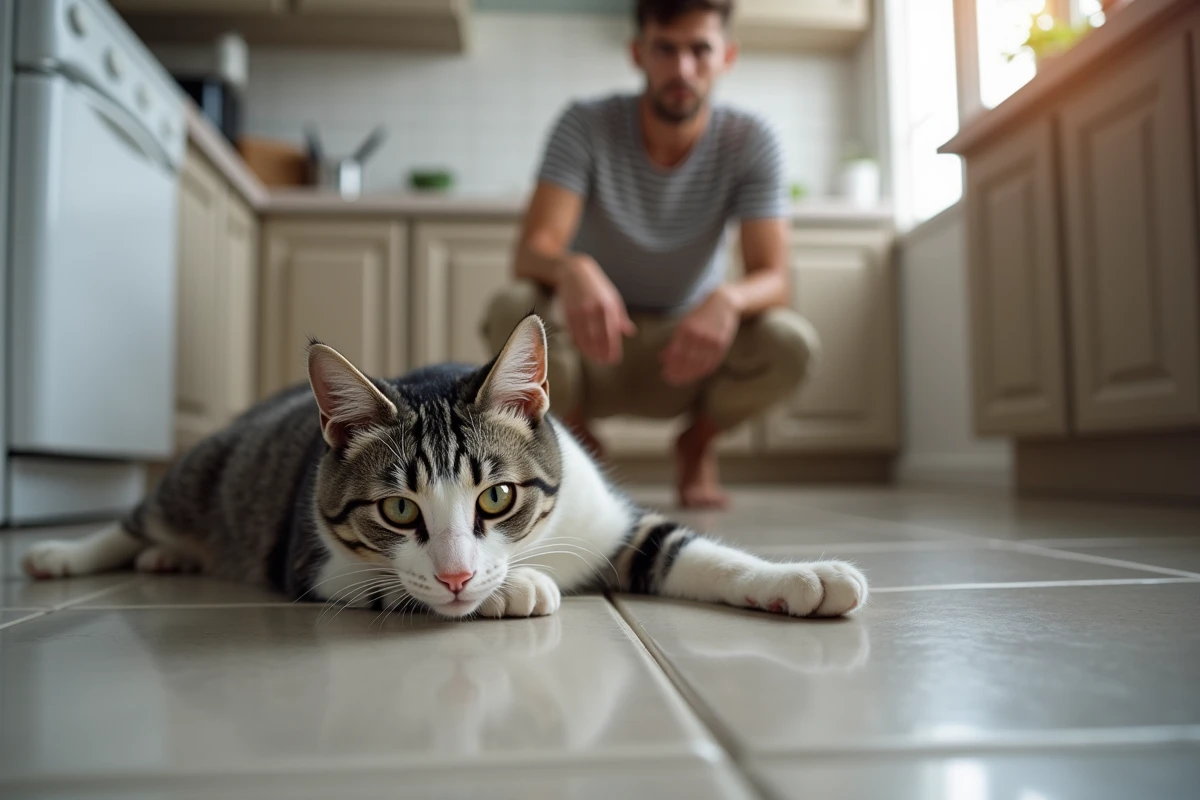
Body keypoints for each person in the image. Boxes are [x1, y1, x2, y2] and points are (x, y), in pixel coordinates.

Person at [482, 0, 819, 510]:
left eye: (699, 50)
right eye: (665, 49)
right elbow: (531, 252)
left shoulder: (751, 140)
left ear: (727, 56)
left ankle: (696, 445)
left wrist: (728, 299)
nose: (682, 68)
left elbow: (774, 277)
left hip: (688, 351)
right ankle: (579, 443)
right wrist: (572, 267)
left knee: (790, 342)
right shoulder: (585, 124)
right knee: (513, 307)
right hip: (593, 348)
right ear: (638, 53)